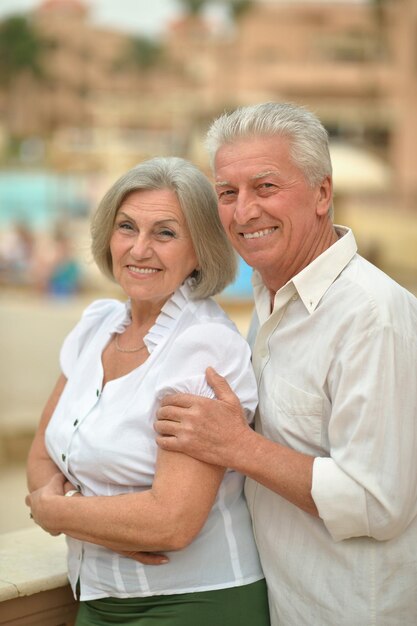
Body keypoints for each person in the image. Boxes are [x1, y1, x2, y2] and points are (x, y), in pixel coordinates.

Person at [154, 103, 417, 625]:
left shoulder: (372, 315)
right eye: (227, 193)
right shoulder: (271, 297)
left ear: (323, 193)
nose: (243, 211)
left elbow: (377, 504)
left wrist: (237, 445)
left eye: (266, 187)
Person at [25, 156, 270, 626]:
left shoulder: (203, 348)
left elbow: (170, 522)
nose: (139, 249)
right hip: (96, 599)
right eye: (127, 227)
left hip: (195, 603)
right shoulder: (95, 326)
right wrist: (94, 520)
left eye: (165, 233)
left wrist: (57, 514)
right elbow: (41, 457)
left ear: (200, 248)